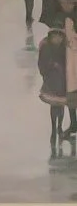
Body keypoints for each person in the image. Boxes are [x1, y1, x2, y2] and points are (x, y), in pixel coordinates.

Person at [40, 23, 70, 152]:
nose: (57, 39)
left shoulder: (65, 48)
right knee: (54, 105)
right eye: (55, 36)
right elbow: (42, 64)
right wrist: (51, 66)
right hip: (52, 81)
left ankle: (59, 126)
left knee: (61, 104)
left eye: (59, 36)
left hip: (63, 81)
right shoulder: (46, 47)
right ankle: (54, 127)